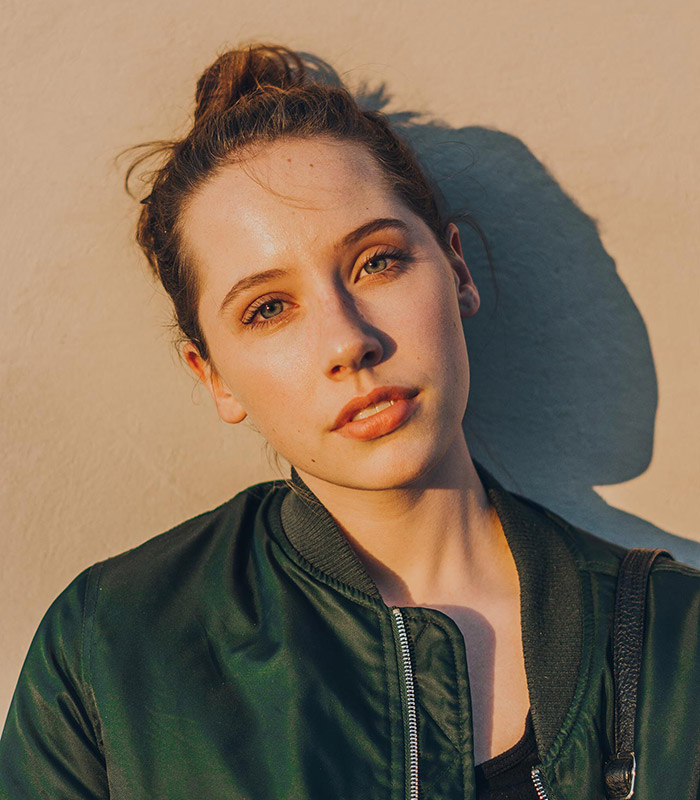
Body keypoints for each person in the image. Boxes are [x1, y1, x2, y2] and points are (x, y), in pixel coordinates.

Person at [0, 43, 698, 800]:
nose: (347, 342)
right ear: (215, 378)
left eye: (377, 262)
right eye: (269, 308)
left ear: (456, 269)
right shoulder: (109, 654)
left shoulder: (679, 644)